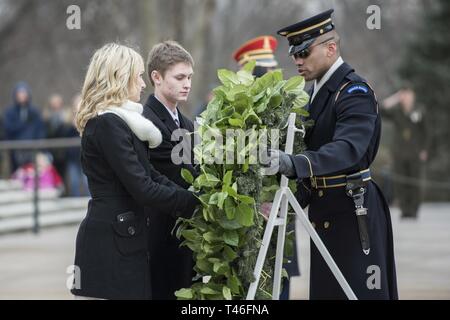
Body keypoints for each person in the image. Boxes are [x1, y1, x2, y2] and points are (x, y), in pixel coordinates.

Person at [268, 9, 398, 299]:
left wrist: (295, 163)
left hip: (354, 213)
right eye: (294, 55)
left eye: (303, 52)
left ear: (330, 48)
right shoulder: (315, 93)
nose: (297, 61)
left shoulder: (354, 91)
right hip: (327, 211)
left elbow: (347, 149)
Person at [70, 43, 199, 300]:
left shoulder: (119, 123)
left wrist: (197, 198)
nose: (142, 84)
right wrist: (196, 204)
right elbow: (143, 187)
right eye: (138, 76)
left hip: (125, 240)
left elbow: (150, 174)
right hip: (112, 244)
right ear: (119, 77)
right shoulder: (107, 124)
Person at [234, 35, 300, 300]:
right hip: (246, 224)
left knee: (280, 280)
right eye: (269, 72)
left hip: (280, 214)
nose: (275, 77)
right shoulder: (231, 110)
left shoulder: (284, 111)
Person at [143, 40, 198, 299]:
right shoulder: (147, 121)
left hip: (185, 235)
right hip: (160, 235)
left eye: (189, 77)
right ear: (156, 77)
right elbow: (180, 175)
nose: (187, 83)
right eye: (179, 77)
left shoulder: (186, 122)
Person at [382, 88, 428, 219]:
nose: (406, 97)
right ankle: (404, 210)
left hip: (415, 152)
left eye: (408, 94)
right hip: (399, 153)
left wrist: (424, 149)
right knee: (400, 184)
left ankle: (413, 210)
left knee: (414, 183)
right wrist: (395, 98)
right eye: (403, 95)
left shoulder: (419, 110)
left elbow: (426, 131)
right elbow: (381, 110)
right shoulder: (397, 111)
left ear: (413, 95)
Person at [3, 82, 45, 172]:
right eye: (19, 93)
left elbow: (39, 130)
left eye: (24, 93)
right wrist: (22, 125)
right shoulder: (9, 112)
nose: (22, 96)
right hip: (15, 150)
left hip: (32, 149)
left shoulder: (34, 112)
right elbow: (7, 129)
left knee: (31, 173)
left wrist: (39, 146)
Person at [44, 94, 69, 188]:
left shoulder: (65, 116)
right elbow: (47, 134)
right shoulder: (47, 117)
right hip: (52, 150)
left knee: (64, 174)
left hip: (63, 151)